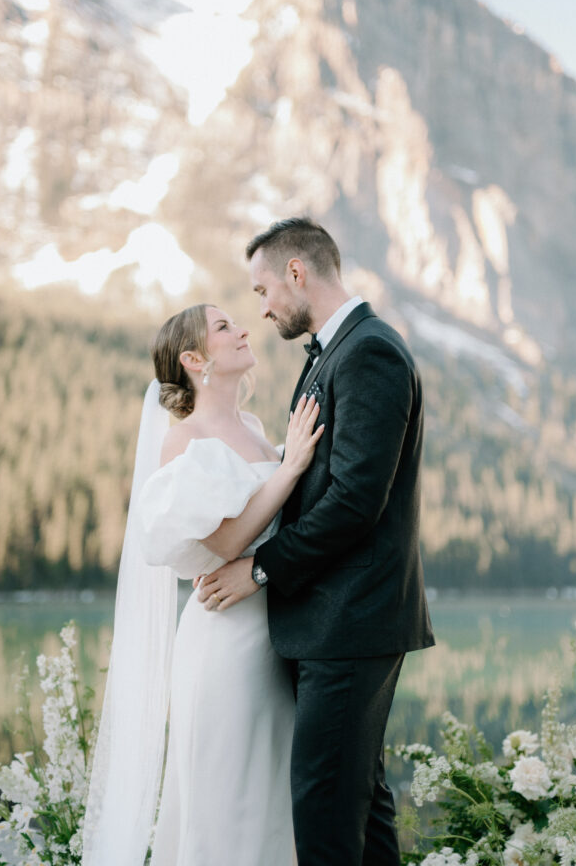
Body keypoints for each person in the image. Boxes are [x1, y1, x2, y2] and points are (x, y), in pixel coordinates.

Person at [198, 217, 435, 866]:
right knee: (360, 806)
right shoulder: (340, 351)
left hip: (349, 622)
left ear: (296, 272)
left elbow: (356, 502)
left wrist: (261, 567)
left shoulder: (369, 352)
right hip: (337, 622)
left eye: (262, 290)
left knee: (325, 818)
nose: (263, 308)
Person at [82, 302, 324, 866]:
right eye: (224, 327)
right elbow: (224, 544)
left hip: (276, 630)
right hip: (227, 640)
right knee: (227, 797)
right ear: (195, 359)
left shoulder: (257, 427)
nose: (242, 329)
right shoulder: (183, 441)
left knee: (269, 798)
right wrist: (289, 468)